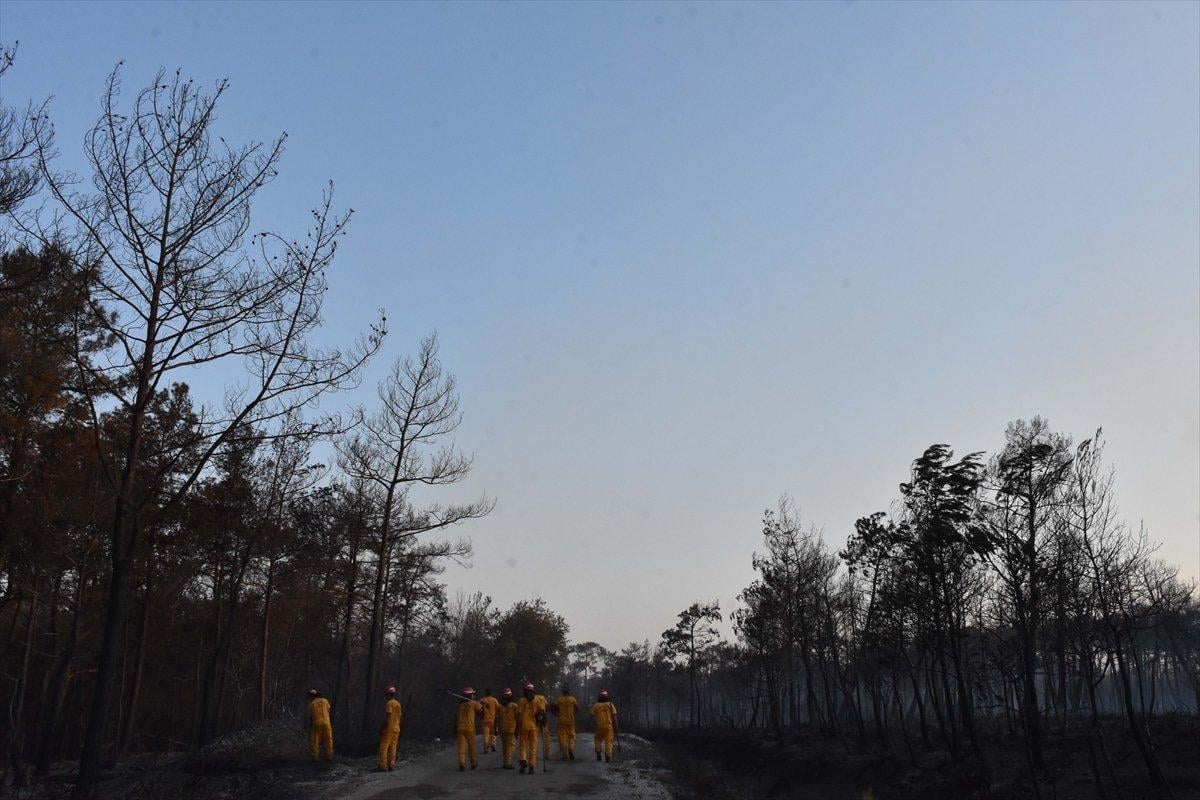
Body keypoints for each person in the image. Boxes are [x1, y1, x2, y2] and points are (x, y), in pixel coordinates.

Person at [516, 682, 548, 775]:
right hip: (533, 727)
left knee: (523, 745)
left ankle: (523, 760)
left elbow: (518, 714)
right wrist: (542, 720)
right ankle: (531, 766)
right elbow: (542, 712)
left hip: (523, 726)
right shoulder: (537, 700)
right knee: (533, 747)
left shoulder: (521, 701)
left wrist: (517, 727)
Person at [454, 686, 483, 771]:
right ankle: (473, 763)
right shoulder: (474, 703)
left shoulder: (460, 705)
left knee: (461, 747)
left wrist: (454, 727)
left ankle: (462, 763)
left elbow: (455, 717)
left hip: (460, 728)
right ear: (470, 695)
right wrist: (483, 707)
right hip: (470, 728)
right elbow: (481, 713)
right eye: (472, 694)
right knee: (472, 747)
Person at [378, 686, 402, 771]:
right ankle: (391, 764)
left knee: (384, 746)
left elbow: (388, 718)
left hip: (389, 729)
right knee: (393, 747)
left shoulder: (389, 704)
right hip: (397, 728)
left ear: (388, 695)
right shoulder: (398, 704)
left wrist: (382, 728)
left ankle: (383, 765)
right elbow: (399, 717)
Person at [590, 689, 617, 763]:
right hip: (609, 726)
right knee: (608, 741)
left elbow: (591, 715)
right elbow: (614, 716)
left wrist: (588, 725)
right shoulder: (610, 704)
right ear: (606, 696)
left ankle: (598, 752)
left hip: (599, 726)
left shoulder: (596, 705)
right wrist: (616, 726)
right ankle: (608, 756)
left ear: (599, 696)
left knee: (597, 739)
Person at [553, 684, 579, 760]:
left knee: (562, 738)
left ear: (562, 691)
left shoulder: (559, 700)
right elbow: (577, 708)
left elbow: (554, 708)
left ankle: (564, 755)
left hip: (561, 721)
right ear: (568, 691)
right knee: (571, 736)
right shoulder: (572, 699)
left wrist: (556, 714)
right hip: (570, 721)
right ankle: (570, 748)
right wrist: (573, 713)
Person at [306, 689, 333, 761]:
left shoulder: (311, 704)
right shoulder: (325, 701)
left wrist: (309, 726)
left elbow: (310, 717)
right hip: (327, 723)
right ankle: (329, 756)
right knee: (328, 739)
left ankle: (314, 756)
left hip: (316, 723)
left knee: (315, 739)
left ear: (312, 696)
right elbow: (329, 711)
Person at [497, 688, 519, 770]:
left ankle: (505, 762)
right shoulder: (514, 705)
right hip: (511, 728)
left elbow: (497, 718)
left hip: (502, 728)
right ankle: (508, 763)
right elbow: (517, 717)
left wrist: (497, 728)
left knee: (505, 746)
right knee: (511, 746)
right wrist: (518, 728)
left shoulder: (500, 706)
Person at [478, 688, 500, 753]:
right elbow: (498, 708)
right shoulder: (494, 700)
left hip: (484, 720)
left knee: (486, 734)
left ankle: (486, 748)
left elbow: (477, 708)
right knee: (494, 733)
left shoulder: (482, 700)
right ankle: (493, 744)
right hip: (493, 720)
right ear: (491, 693)